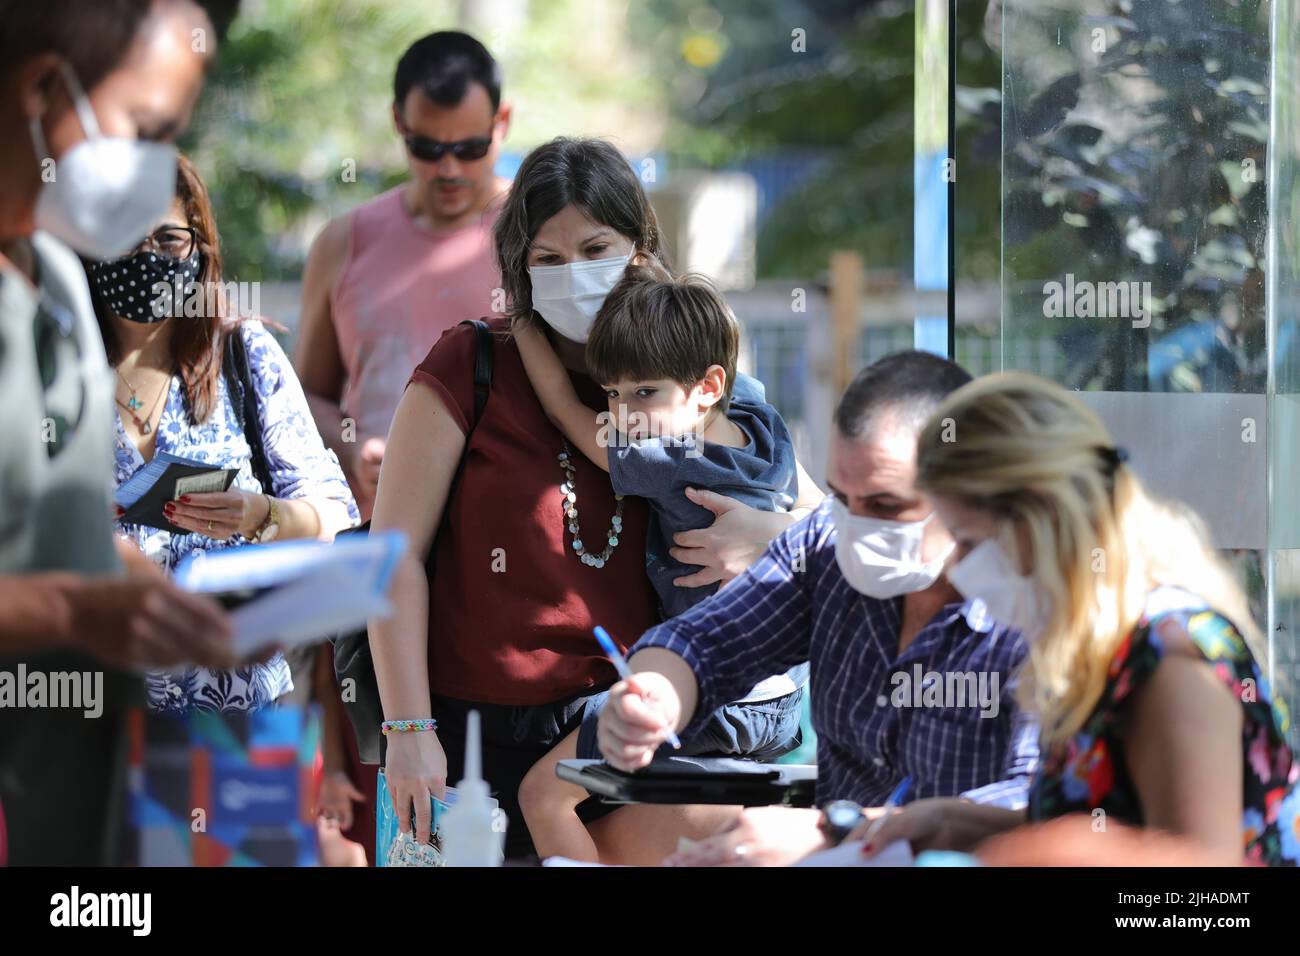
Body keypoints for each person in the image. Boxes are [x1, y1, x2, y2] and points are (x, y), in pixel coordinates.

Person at [369, 136, 825, 862]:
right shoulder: (471, 365)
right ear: (519, 270)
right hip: (467, 751)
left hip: (638, 737)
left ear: (640, 250)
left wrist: (767, 531)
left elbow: (827, 524)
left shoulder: (694, 379)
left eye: (594, 248)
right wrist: (407, 731)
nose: (572, 275)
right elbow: (389, 562)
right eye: (546, 260)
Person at [596, 351, 1039, 867]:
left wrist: (839, 834)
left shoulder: (1036, 607)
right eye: (841, 497)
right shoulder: (825, 549)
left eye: (886, 505)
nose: (857, 524)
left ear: (969, 490)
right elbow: (706, 641)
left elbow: (1038, 800)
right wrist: (654, 696)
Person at [859, 373, 1298, 865]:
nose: (957, 570)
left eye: (968, 540)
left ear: (1042, 517)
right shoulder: (1098, 648)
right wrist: (952, 822)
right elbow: (1107, 821)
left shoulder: (1172, 654)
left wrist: (1041, 853)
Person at [0, 0, 238, 866]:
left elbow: (48, 529)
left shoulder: (57, 280)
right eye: (145, 128)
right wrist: (70, 607)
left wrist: (129, 576)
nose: (155, 164)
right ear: (40, 88)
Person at [512, 261, 807, 861]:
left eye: (643, 392)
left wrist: (521, 325)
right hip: (780, 698)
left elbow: (567, 411)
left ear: (707, 387)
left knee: (542, 794)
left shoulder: (670, 457)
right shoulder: (764, 431)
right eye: (614, 393)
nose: (623, 414)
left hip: (713, 697)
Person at [88, 154, 359, 713]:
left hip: (242, 718)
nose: (146, 259)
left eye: (167, 239)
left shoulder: (243, 352)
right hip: (91, 719)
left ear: (199, 247)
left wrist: (262, 515)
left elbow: (338, 519)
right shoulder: (45, 367)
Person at [295, 30, 510, 520]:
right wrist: (350, 449)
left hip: (505, 531)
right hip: (378, 529)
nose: (449, 169)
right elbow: (307, 396)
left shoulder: (544, 233)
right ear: (398, 122)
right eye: (428, 149)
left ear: (503, 122)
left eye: (470, 147)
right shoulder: (343, 243)